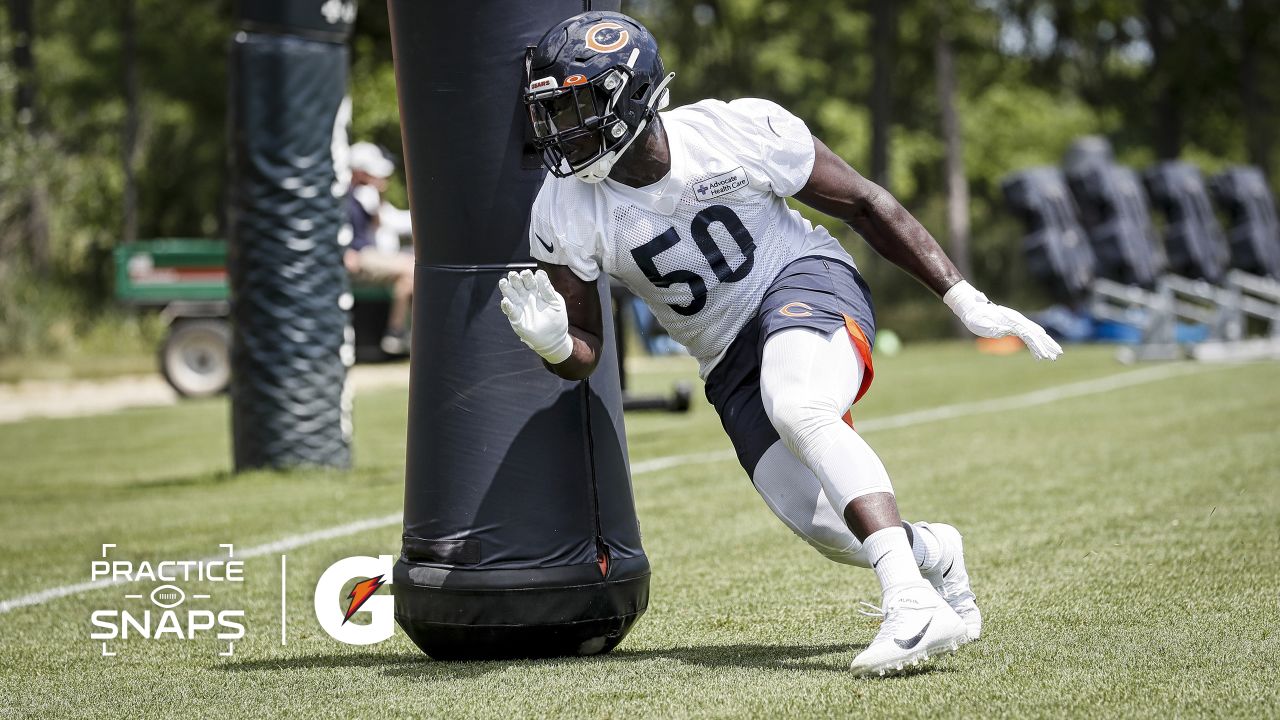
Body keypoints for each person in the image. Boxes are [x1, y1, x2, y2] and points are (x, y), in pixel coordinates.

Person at [497, 12, 1062, 676]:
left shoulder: (731, 130)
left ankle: (910, 604)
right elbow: (585, 346)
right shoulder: (563, 209)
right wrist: (556, 344)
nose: (564, 128)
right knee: (823, 524)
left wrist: (965, 298)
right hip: (723, 354)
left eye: (579, 104)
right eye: (553, 110)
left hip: (800, 280)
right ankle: (932, 552)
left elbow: (865, 203)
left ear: (633, 94)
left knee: (797, 401)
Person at [344, 141, 415, 356]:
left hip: (367, 255)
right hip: (358, 256)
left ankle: (401, 335)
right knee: (412, 269)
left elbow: (385, 222)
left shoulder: (364, 195)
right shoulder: (348, 196)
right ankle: (396, 333)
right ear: (359, 172)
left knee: (411, 276)